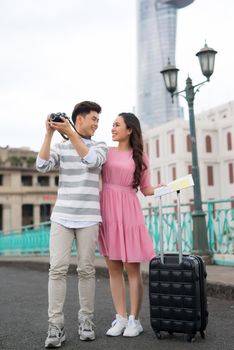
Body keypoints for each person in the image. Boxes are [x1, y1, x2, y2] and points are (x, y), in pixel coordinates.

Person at [36, 101, 107, 348]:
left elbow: (91, 161)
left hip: (88, 217)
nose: (97, 124)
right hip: (62, 217)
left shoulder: (99, 145)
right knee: (56, 270)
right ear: (79, 119)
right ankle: (55, 326)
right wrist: (49, 133)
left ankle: (86, 321)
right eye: (94, 119)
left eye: (98, 119)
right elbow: (42, 165)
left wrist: (72, 134)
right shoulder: (61, 146)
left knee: (86, 270)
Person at [98, 112, 163, 337]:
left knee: (132, 269)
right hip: (107, 211)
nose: (112, 128)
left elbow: (146, 189)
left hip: (129, 212)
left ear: (129, 129)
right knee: (114, 269)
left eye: (117, 125)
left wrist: (163, 187)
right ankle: (121, 318)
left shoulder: (141, 157)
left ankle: (135, 320)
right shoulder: (105, 153)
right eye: (112, 125)